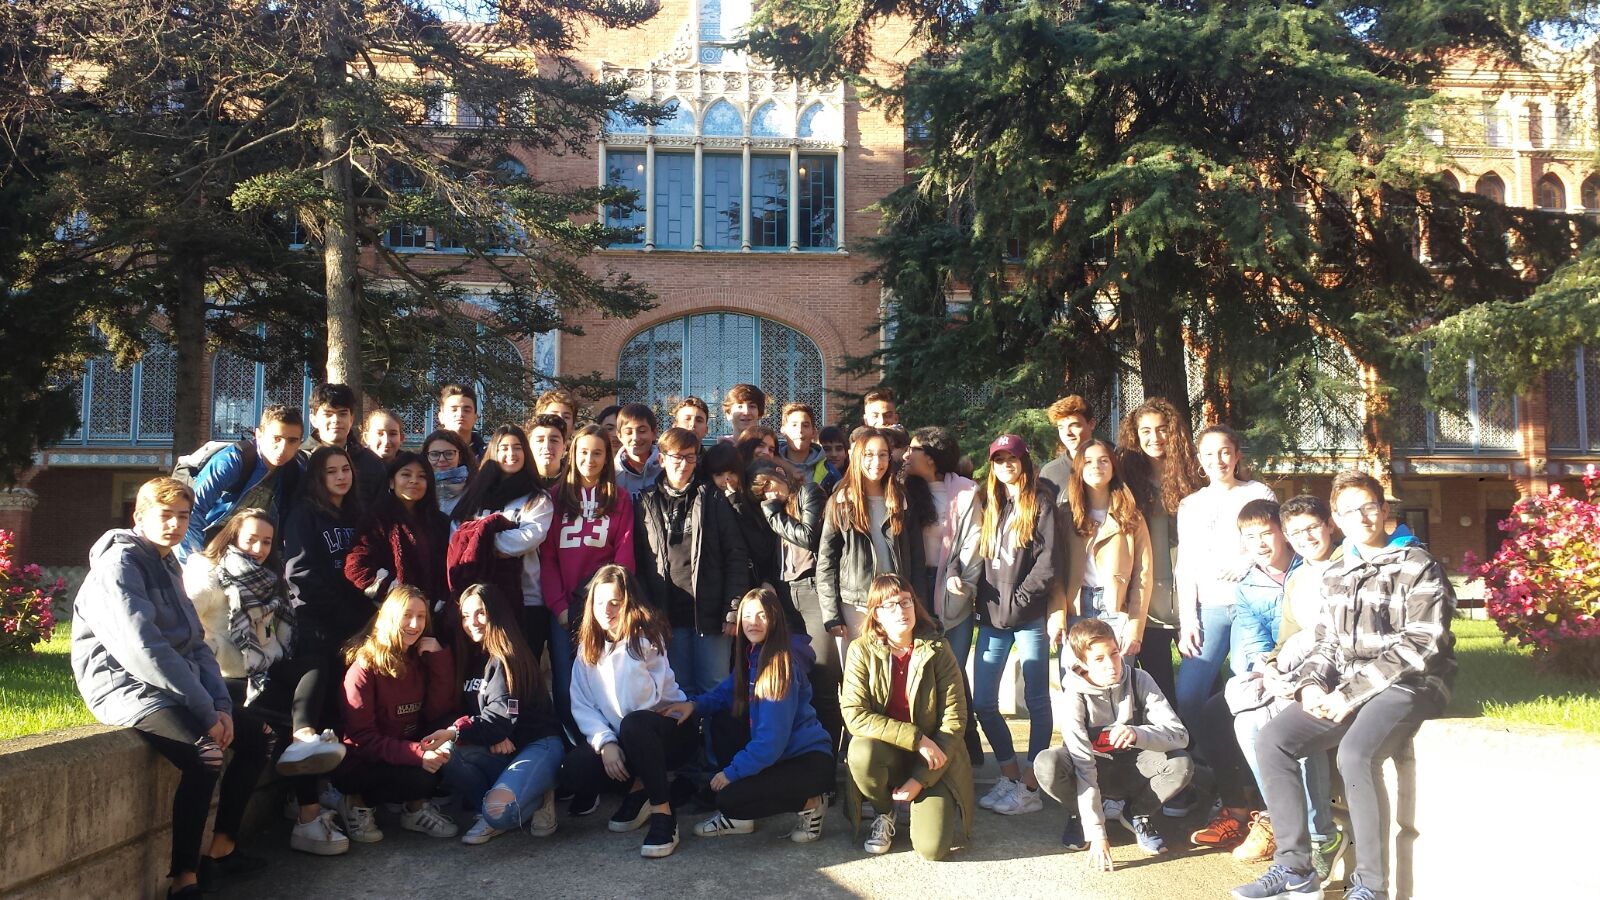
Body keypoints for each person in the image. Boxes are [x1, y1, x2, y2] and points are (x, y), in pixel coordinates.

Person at [1232, 471, 1456, 900]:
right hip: (1350, 685)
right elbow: (1328, 642)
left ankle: (1370, 885)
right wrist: (1311, 685)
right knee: (1273, 739)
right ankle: (1295, 868)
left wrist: (1348, 695)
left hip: (1411, 684)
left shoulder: (1416, 563)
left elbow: (1422, 644)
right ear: (1337, 518)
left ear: (1384, 509)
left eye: (1369, 507)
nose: (1362, 517)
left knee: (1355, 755)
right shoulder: (1339, 572)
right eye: (1350, 510)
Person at [72, 478, 274, 896]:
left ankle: (222, 848)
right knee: (206, 755)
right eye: (165, 515)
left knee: (260, 736)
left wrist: (221, 704)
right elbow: (144, 650)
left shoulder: (168, 563)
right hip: (126, 687)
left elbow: (196, 642)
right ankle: (184, 878)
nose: (175, 524)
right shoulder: (119, 565)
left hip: (176, 685)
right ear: (139, 516)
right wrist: (206, 711)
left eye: (183, 516)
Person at [660, 587, 834, 843]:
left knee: (730, 800)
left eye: (762, 615)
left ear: (775, 619)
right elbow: (726, 692)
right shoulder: (754, 653)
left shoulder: (779, 666)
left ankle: (811, 802)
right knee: (724, 716)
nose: (753, 622)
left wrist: (731, 773)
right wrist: (694, 706)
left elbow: (770, 742)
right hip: (779, 757)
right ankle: (743, 813)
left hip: (806, 761)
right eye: (748, 616)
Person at [1033, 619, 1193, 868]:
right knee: (1047, 762)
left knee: (1181, 763)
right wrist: (1097, 833)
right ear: (1082, 664)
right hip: (1093, 767)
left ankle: (1137, 813)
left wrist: (1138, 733)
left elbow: (1180, 735)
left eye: (1114, 653)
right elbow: (1083, 764)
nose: (1111, 665)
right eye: (1099, 659)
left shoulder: (1140, 679)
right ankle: (1079, 815)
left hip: (1135, 765)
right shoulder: (1074, 694)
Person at [563, 565, 696, 858]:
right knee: (574, 769)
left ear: (628, 604)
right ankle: (640, 789)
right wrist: (606, 743)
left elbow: (644, 700)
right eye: (599, 602)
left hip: (668, 730)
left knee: (635, 725)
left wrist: (625, 651)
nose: (606, 610)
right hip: (626, 737)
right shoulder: (587, 649)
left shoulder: (645, 640)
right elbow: (582, 706)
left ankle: (663, 814)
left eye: (615, 602)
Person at [278, 445, 374, 847]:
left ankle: (334, 788)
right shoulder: (304, 514)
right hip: (316, 627)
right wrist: (344, 613)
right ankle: (304, 804)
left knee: (342, 711)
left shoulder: (357, 514)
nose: (340, 476)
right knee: (311, 715)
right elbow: (300, 575)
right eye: (331, 471)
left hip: (354, 631)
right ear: (317, 476)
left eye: (345, 469)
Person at [840, 574, 974, 860]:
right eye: (889, 605)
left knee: (932, 850)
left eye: (905, 602)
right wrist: (917, 739)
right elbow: (854, 715)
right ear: (876, 614)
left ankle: (922, 801)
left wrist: (919, 780)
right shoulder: (860, 651)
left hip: (933, 759)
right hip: (888, 752)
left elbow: (955, 720)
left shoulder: (939, 649)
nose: (901, 610)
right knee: (860, 751)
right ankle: (884, 811)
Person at [969, 434, 1057, 816]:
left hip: (1028, 618)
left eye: (1013, 458)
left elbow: (1047, 563)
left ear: (1025, 462)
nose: (1006, 465)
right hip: (992, 619)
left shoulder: (1040, 503)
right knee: (984, 703)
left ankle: (1030, 786)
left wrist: (1020, 600)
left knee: (1037, 701)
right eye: (999, 459)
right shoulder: (989, 503)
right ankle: (1009, 774)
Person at [1173, 425, 1279, 734]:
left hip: (1250, 604)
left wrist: (1247, 562)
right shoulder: (1190, 504)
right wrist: (1188, 620)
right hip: (1209, 607)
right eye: (1209, 454)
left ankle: (1242, 755)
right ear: (1199, 459)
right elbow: (1186, 564)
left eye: (1224, 452)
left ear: (1236, 455)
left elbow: (1276, 542)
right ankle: (1208, 753)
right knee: (1188, 694)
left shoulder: (1258, 493)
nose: (1217, 460)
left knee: (1245, 685)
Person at [442, 584, 565, 845]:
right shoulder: (471, 656)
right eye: (466, 616)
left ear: (496, 613)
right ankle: (504, 802)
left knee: (498, 813)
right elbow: (487, 715)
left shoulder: (509, 657)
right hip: (503, 746)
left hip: (538, 744)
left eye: (480, 613)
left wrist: (498, 729)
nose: (472, 622)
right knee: (447, 752)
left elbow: (508, 709)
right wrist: (493, 732)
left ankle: (540, 794)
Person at [335, 584, 459, 842]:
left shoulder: (418, 657)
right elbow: (362, 739)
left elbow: (437, 711)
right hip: (364, 761)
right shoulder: (364, 667)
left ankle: (414, 810)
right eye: (407, 615)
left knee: (448, 735)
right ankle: (355, 803)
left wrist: (439, 659)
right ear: (390, 616)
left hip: (403, 748)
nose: (414, 624)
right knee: (421, 777)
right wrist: (417, 754)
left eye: (421, 616)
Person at [541, 424, 636, 752]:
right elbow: (547, 558)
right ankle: (579, 754)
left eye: (597, 452)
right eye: (583, 452)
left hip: (604, 612)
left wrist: (615, 605)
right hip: (564, 610)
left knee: (605, 685)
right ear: (572, 454)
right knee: (566, 686)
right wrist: (559, 607)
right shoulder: (555, 498)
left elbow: (623, 557)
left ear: (607, 457)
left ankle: (612, 751)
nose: (590, 459)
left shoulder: (619, 498)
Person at [634, 428, 748, 695]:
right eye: (677, 457)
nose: (683, 464)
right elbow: (639, 562)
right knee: (676, 689)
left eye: (690, 457)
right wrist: (647, 613)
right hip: (666, 616)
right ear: (661, 459)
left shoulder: (712, 497)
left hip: (711, 615)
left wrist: (732, 609)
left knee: (714, 688)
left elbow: (735, 555)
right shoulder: (646, 501)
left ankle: (715, 727)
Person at [1115, 397, 1204, 703]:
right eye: (1146, 431)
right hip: (1148, 603)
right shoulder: (1126, 480)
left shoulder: (1195, 475)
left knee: (1204, 684)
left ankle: (1209, 734)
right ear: (1136, 436)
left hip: (1193, 600)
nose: (1155, 437)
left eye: (1162, 429)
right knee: (1160, 687)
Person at [450, 425, 556, 668]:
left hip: (527, 601)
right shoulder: (474, 494)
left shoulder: (537, 498)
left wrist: (478, 544)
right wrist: (476, 544)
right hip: (479, 603)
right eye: (504, 448)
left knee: (521, 672)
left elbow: (528, 537)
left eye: (517, 448)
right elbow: (457, 533)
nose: (511, 454)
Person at [817, 427, 926, 651]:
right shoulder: (841, 501)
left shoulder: (901, 499)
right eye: (869, 454)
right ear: (857, 457)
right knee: (860, 668)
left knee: (895, 666)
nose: (877, 462)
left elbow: (916, 556)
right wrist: (831, 615)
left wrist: (918, 602)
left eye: (883, 454)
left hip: (896, 601)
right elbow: (826, 562)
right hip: (857, 604)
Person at [180, 403, 304, 560]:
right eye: (276, 439)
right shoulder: (231, 462)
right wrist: (192, 561)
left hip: (253, 551)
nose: (283, 448)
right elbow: (193, 511)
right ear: (259, 435)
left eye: (292, 441)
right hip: (206, 544)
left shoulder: (294, 472)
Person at [1065, 440, 1152, 654]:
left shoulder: (1131, 517)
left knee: (1115, 671)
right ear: (1078, 469)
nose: (1096, 466)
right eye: (1088, 461)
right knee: (1076, 672)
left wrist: (1135, 626)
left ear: (1113, 468)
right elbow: (1056, 572)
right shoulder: (1065, 516)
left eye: (1104, 460)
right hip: (1075, 608)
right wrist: (1056, 614)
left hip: (1116, 609)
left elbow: (1143, 575)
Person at [344, 451, 450, 614]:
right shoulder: (376, 519)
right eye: (406, 475)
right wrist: (399, 596)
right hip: (391, 614)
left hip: (433, 615)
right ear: (392, 482)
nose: (414, 480)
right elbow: (356, 567)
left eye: (422, 476)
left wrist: (439, 602)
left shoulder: (440, 522)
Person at [301, 382, 387, 506]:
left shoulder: (371, 463)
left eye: (342, 414)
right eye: (328, 414)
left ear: (351, 419)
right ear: (313, 419)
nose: (336, 420)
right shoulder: (300, 460)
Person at [614, 403, 662, 500]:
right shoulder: (612, 473)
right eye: (628, 432)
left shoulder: (666, 468)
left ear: (654, 433)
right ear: (619, 436)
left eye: (642, 431)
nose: (635, 438)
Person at [422, 429, 475, 517]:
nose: (442, 459)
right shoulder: (416, 488)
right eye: (434, 454)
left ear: (460, 456)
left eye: (449, 454)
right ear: (426, 457)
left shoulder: (475, 490)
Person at [778, 402, 830, 485]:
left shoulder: (828, 469)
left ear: (814, 432)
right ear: (783, 430)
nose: (800, 430)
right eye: (794, 425)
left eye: (805, 425)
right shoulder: (771, 465)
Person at [437, 382, 485, 460]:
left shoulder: (489, 458)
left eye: (466, 410)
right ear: (441, 417)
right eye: (454, 410)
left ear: (475, 418)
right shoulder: (426, 458)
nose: (460, 414)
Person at [527, 412, 568, 485]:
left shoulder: (577, 481)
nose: (547, 446)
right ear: (528, 446)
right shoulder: (519, 483)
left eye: (554, 440)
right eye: (540, 440)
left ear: (564, 447)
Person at [818, 425, 849, 492]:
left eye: (839, 449)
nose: (833, 454)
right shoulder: (812, 474)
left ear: (846, 453)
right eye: (827, 449)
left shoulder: (856, 478)